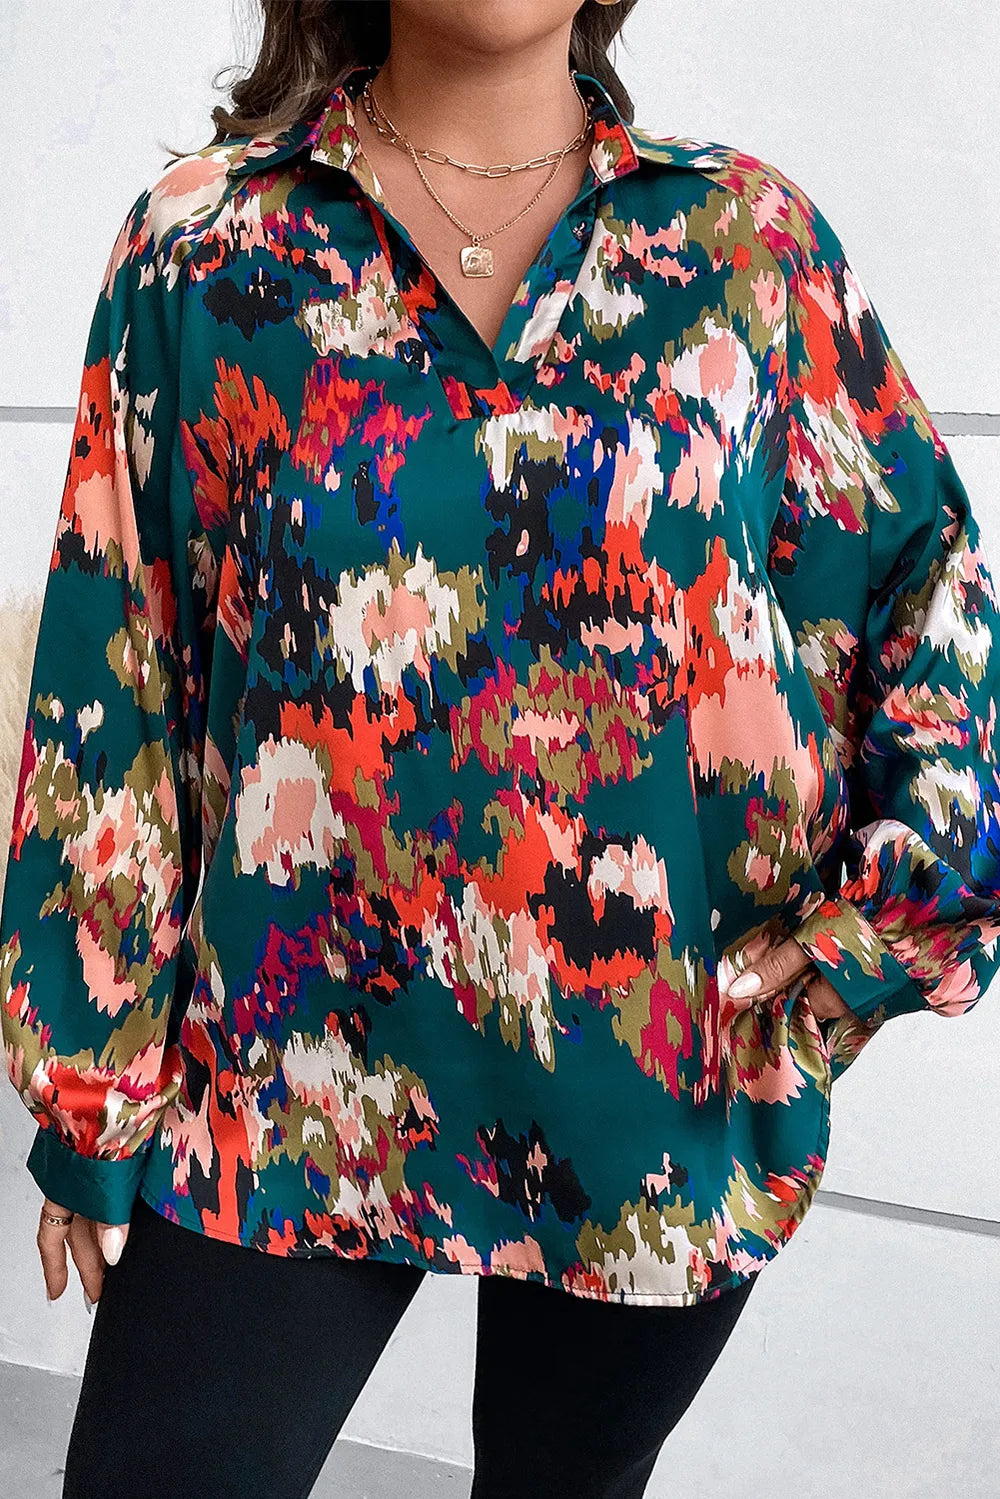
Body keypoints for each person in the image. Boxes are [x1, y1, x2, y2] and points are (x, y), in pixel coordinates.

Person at [2, 1, 999, 1495]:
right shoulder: (203, 250)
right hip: (281, 1079)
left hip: (656, 1100)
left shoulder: (747, 249)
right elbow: (117, 672)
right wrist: (93, 1083)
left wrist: (872, 930)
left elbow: (932, 599)